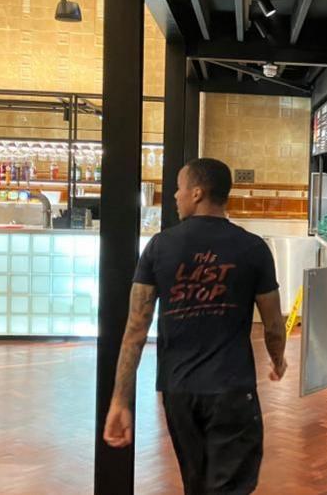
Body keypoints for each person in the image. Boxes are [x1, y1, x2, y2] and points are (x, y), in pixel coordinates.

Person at [104, 158, 287, 495]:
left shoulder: (159, 247)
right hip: (232, 389)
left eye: (179, 187)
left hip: (178, 390)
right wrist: (278, 359)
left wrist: (120, 400)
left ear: (198, 192)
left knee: (196, 485)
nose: (175, 195)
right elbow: (274, 323)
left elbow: (135, 330)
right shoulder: (253, 248)